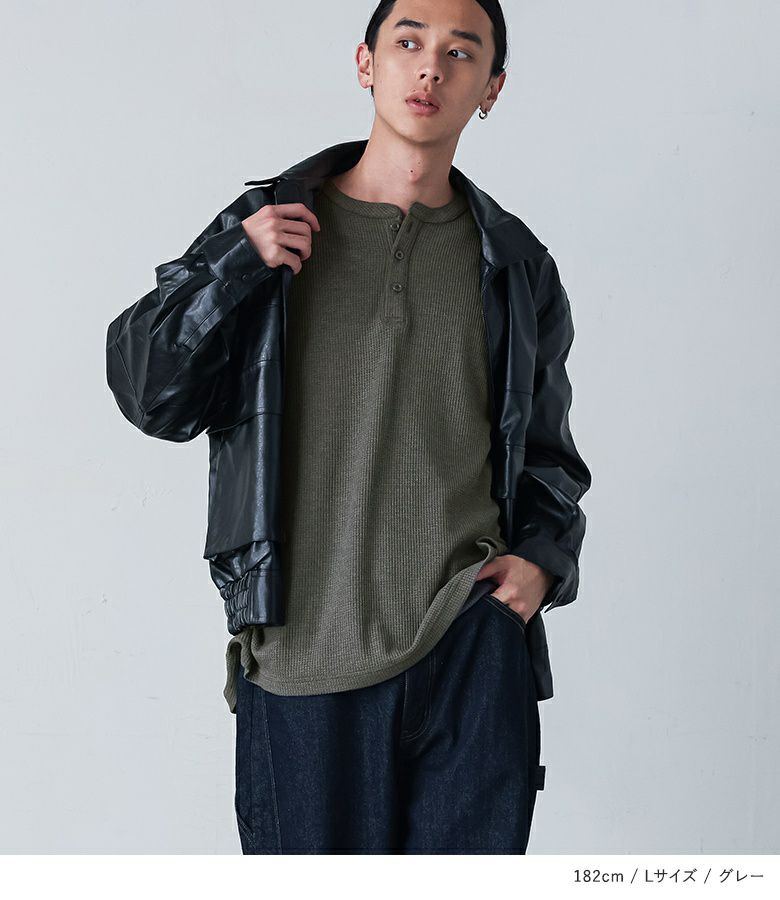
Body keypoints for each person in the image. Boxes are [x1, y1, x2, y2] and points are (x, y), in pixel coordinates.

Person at [106, 0, 591, 854]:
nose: (430, 66)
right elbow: (150, 394)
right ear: (366, 64)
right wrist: (232, 266)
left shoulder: (517, 267)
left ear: (492, 88)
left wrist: (541, 565)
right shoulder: (268, 228)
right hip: (302, 660)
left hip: (468, 654)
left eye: (461, 52)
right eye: (408, 42)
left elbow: (547, 454)